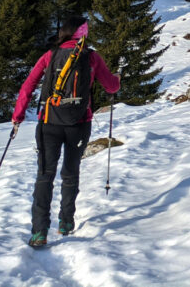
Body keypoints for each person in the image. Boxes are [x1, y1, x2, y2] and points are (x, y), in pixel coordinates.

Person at [13, 16, 120, 248]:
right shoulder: (91, 57)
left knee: (45, 174)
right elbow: (111, 86)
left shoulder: (49, 55)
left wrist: (18, 116)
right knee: (70, 172)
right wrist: (117, 81)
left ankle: (39, 231)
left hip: (49, 122)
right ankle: (66, 222)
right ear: (82, 33)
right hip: (79, 124)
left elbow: (28, 85)